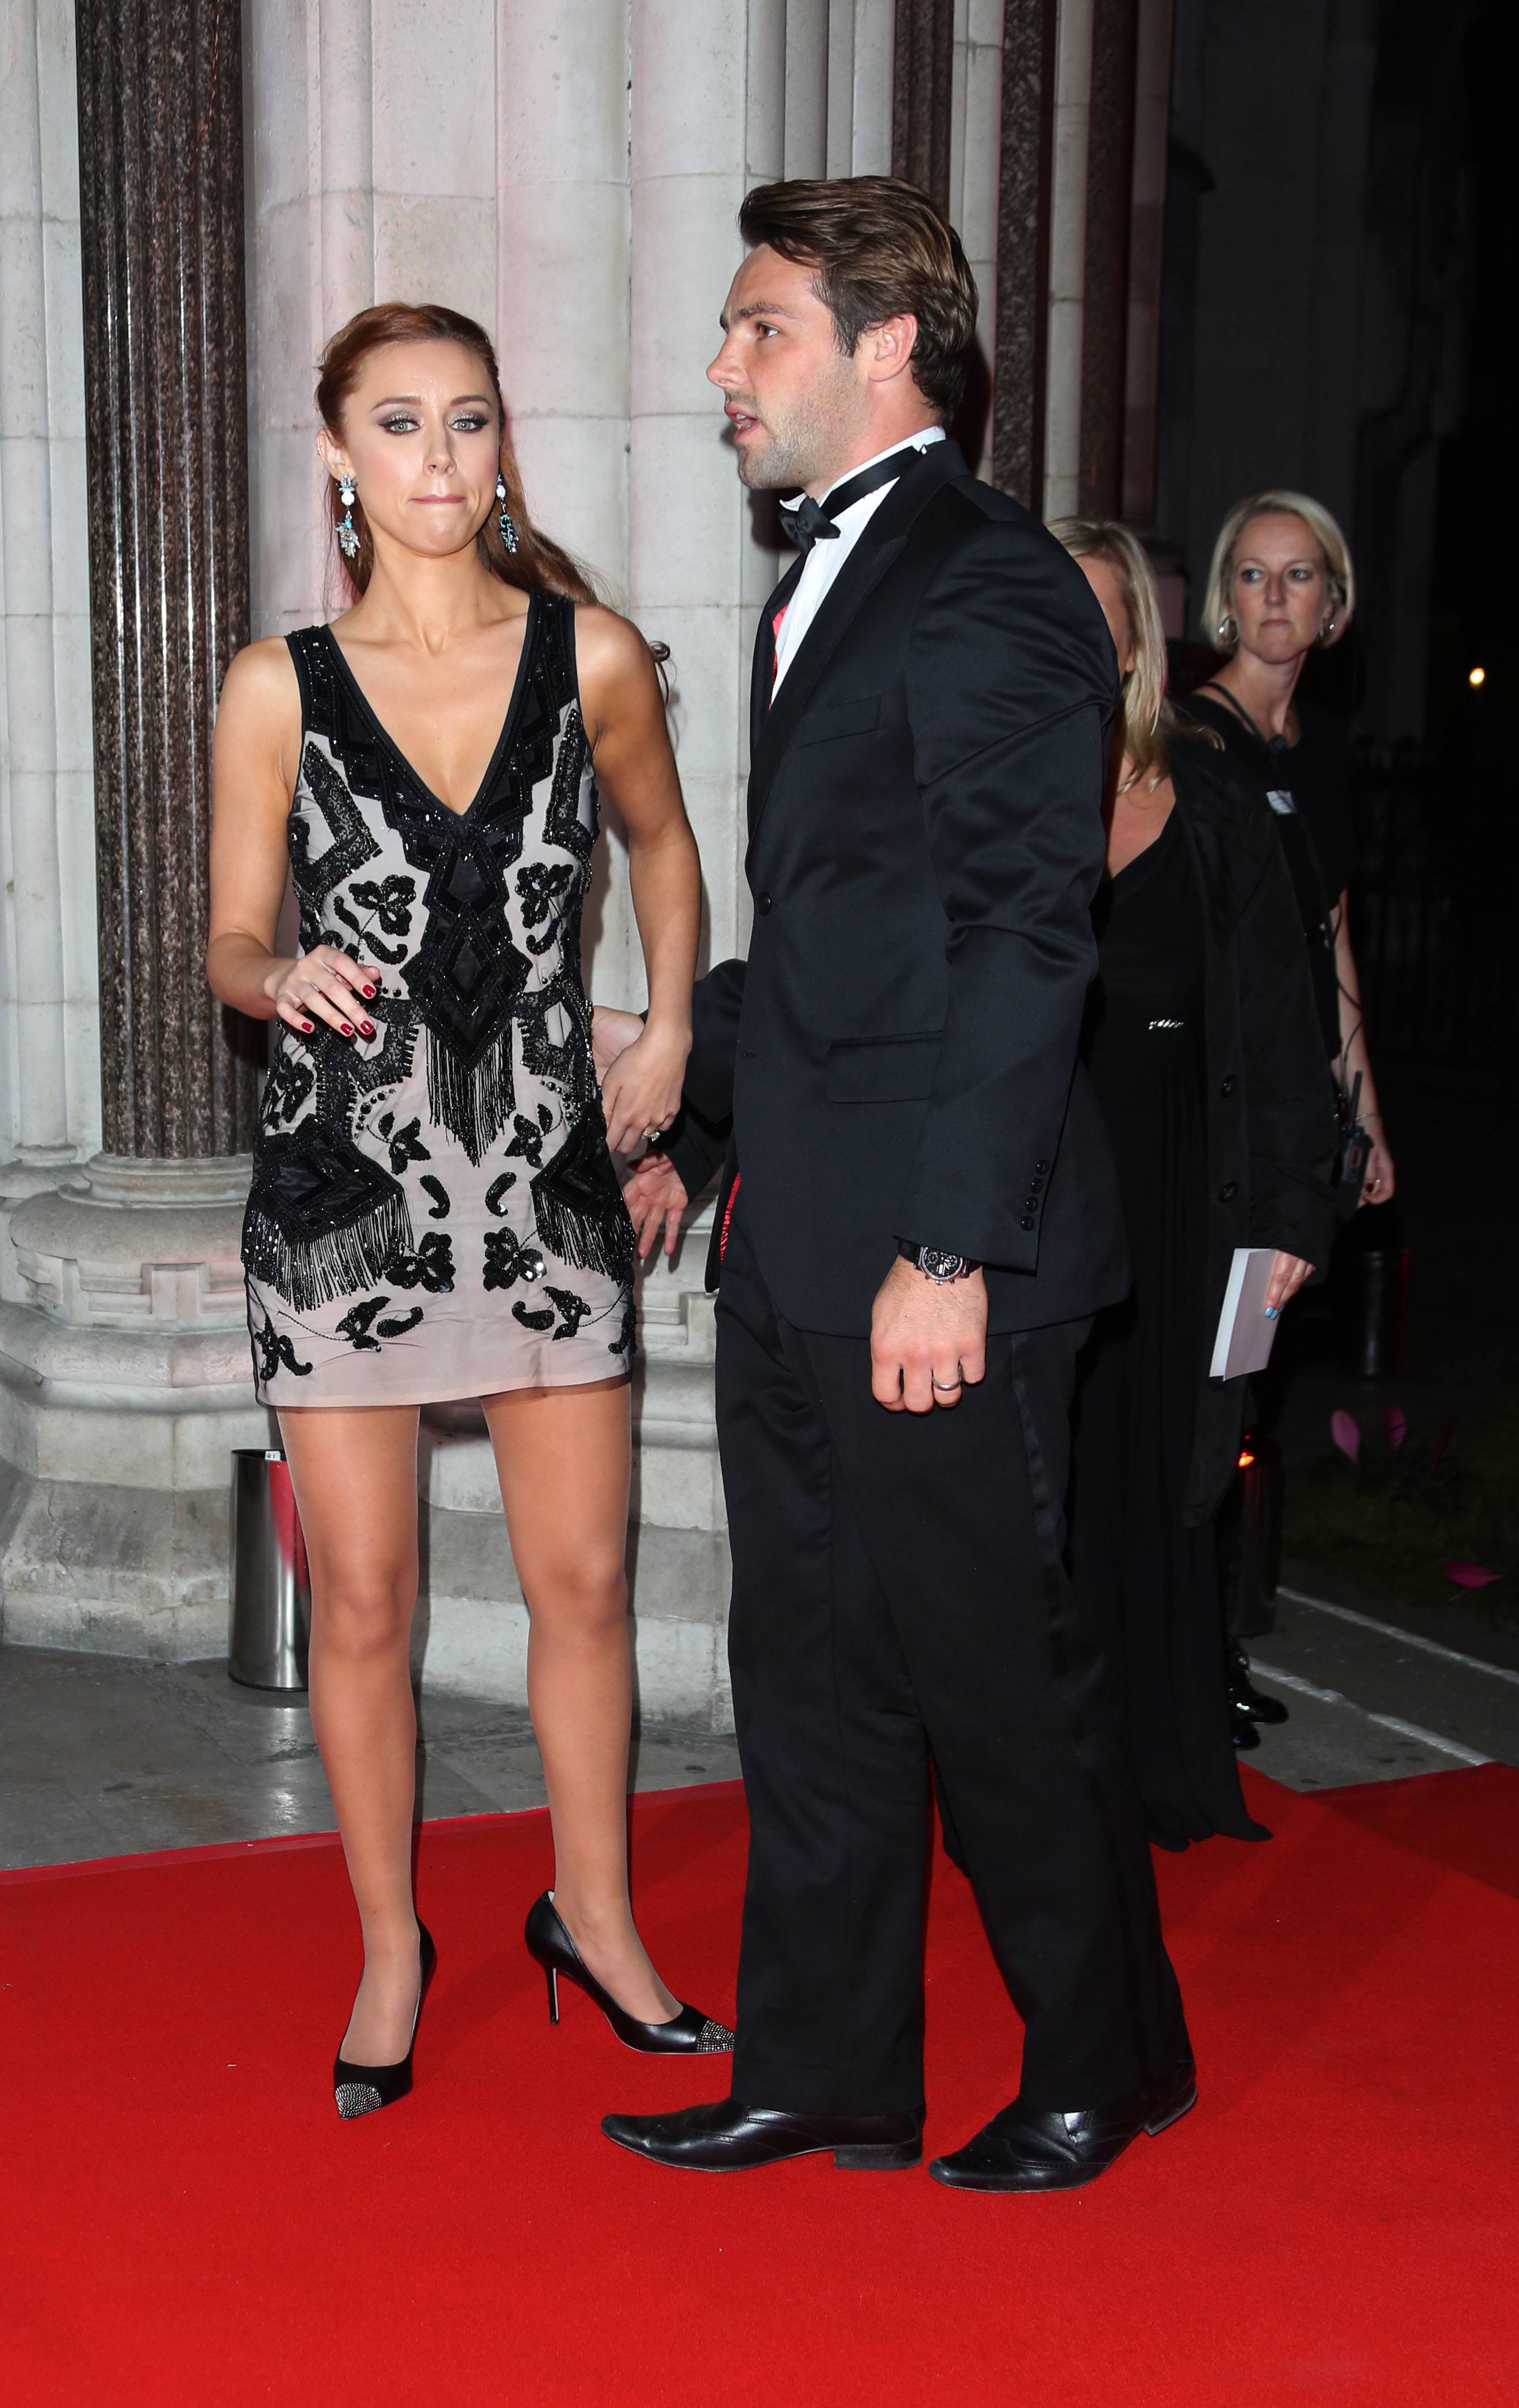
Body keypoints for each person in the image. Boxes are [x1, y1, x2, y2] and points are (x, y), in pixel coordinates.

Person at [592, 177, 1192, 2195]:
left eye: (759, 326)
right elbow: (856, 935)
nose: (722, 365)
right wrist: (695, 1106)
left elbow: (1027, 935)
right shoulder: (827, 578)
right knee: (815, 1680)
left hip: (942, 1262)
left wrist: (948, 1245)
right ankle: (829, 2065)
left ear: (886, 347)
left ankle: (1101, 2063)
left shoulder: (989, 579)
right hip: (801, 1246)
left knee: (995, 1681)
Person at [207, 302, 729, 2122]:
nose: (439, 456)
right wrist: (274, 977)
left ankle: (594, 1915)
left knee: (582, 1585)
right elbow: (231, 933)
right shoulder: (274, 685)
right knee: (363, 1603)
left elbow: (665, 843)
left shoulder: (590, 656)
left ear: (504, 443)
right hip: (341, 1188)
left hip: (546, 1182)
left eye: (470, 419)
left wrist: (672, 1026)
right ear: (338, 457)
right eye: (400, 423)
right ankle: (388, 1947)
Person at [1050, 519, 1337, 1849]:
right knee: (1048, 1478)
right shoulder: (992, 793)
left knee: (1170, 1467)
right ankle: (1042, 1779)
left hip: (1184, 1185)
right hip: (1043, 1175)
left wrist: (1289, 1215)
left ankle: (1156, 1762)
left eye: (1097, 614)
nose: (1073, 636)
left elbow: (1281, 1027)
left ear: (1136, 644)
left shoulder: (1214, 806)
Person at [1185, 492, 1394, 1204]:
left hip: (1301, 1094)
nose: (1274, 595)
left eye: (1298, 574)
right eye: (1253, 575)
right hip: (1220, 1096)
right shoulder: (1193, 743)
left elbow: (1332, 937)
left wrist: (1366, 1119)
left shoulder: (1327, 743)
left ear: (1332, 601)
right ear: (1228, 600)